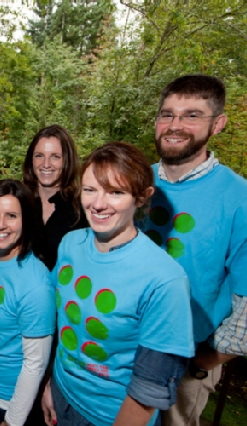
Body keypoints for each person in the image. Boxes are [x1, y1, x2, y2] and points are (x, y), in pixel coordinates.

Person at [43, 141, 194, 426]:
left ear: (142, 198)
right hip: (62, 396)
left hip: (109, 417)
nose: (98, 204)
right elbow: (63, 328)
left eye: (115, 192)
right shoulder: (71, 244)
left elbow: (150, 387)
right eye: (90, 190)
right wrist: (51, 383)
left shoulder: (164, 281)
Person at [143, 75, 247, 426]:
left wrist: (202, 363)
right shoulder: (134, 182)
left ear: (217, 124)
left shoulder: (239, 198)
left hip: (184, 362)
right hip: (121, 347)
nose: (175, 126)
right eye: (167, 114)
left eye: (191, 115)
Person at [0, 179, 55, 426]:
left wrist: (13, 420)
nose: (0, 224)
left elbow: (35, 364)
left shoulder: (36, 285)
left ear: (26, 220)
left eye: (12, 215)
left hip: (5, 401)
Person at [23, 125, 88, 270]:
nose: (46, 164)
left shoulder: (82, 207)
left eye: (55, 157)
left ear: (66, 160)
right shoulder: (19, 202)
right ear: (31, 160)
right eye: (39, 156)